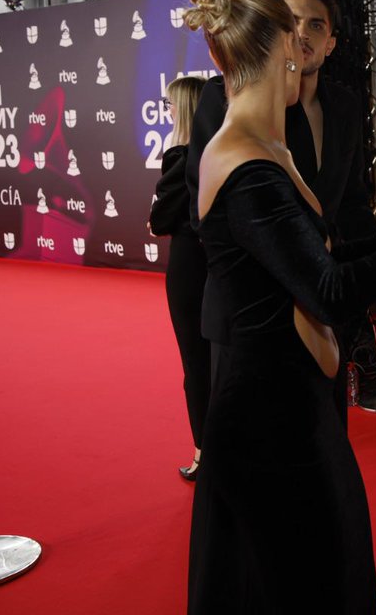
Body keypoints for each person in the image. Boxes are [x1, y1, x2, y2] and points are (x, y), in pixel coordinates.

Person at [183, 0, 376, 614]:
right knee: (302, 580)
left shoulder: (262, 147)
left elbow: (322, 255)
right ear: (286, 51)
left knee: (319, 568)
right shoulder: (247, 161)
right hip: (270, 419)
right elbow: (329, 290)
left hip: (294, 404)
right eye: (297, 36)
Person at [185, 0, 376, 429]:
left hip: (326, 306)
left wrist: (371, 280)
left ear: (331, 42)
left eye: (316, 25)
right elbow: (207, 209)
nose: (302, 35)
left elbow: (350, 202)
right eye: (292, 22)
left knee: (324, 438)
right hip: (253, 319)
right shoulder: (226, 99)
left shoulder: (346, 106)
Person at [149, 75, 210, 481]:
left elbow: (159, 221)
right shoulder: (223, 152)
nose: (166, 110)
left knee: (197, 362)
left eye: (170, 104)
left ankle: (205, 454)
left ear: (183, 110)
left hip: (190, 268)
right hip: (223, 264)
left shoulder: (181, 156)